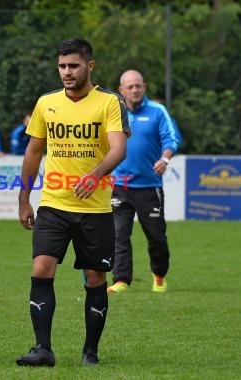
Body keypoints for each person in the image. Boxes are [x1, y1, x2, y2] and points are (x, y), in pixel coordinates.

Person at [16, 38, 129, 367]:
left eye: (74, 66)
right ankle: (42, 349)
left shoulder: (109, 102)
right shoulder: (46, 103)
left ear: (89, 66)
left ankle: (90, 351)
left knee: (95, 277)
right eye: (62, 66)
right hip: (53, 204)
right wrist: (24, 198)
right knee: (41, 268)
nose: (67, 72)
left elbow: (118, 148)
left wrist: (95, 175)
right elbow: (33, 153)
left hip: (95, 209)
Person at [107, 69, 180, 295]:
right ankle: (121, 280)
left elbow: (172, 138)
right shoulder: (113, 112)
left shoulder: (158, 111)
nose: (134, 90)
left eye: (138, 85)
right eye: (129, 86)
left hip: (149, 187)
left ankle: (159, 275)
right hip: (120, 185)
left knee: (156, 237)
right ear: (121, 90)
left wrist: (165, 158)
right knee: (119, 236)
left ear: (144, 87)